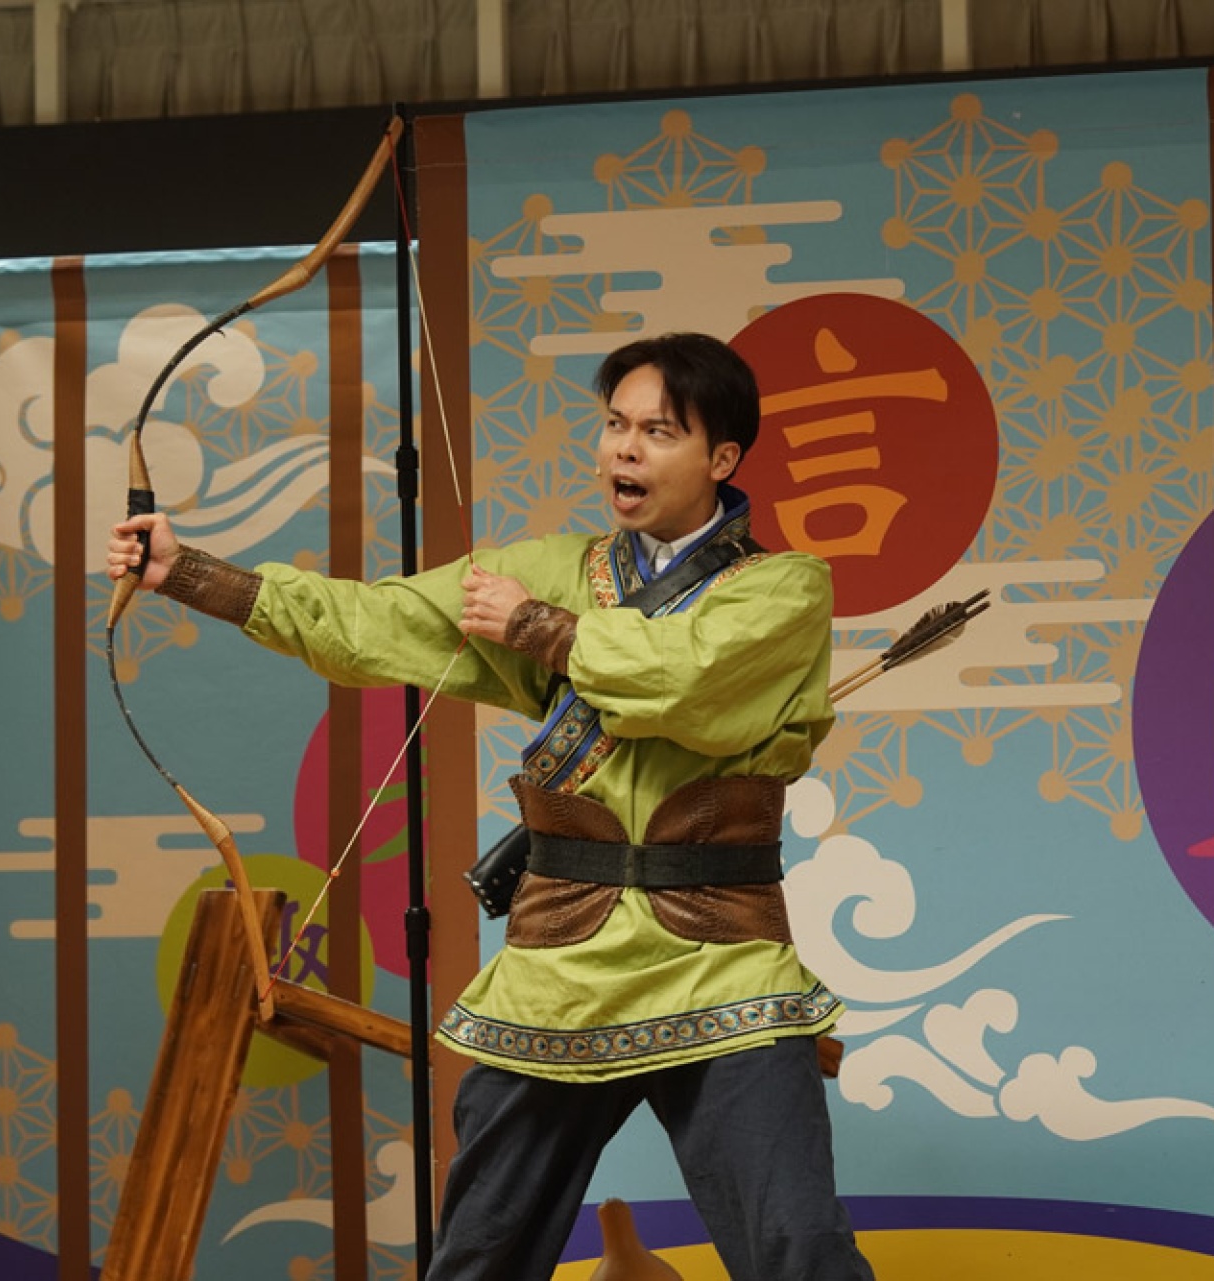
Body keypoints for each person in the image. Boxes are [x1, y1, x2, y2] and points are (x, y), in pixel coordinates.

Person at [107, 332, 872, 1280]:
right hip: (562, 958)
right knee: (482, 1252)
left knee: (798, 1247)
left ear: (721, 458)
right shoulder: (555, 567)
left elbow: (685, 683)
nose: (625, 448)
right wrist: (190, 573)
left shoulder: (786, 589)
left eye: (659, 431)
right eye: (615, 424)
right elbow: (375, 623)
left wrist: (532, 625)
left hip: (726, 961)